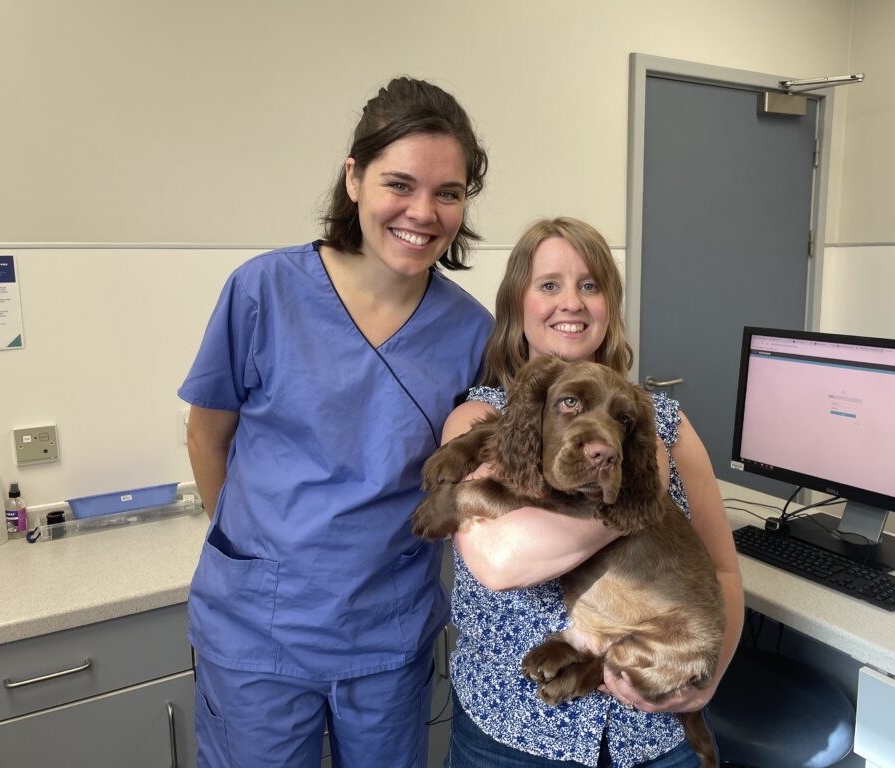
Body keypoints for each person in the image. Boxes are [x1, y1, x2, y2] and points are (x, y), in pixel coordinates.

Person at [178, 77, 493, 768]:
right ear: (354, 178)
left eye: (449, 192)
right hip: (257, 634)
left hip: (387, 632)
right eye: (399, 184)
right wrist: (249, 553)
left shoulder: (471, 331)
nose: (423, 211)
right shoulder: (265, 292)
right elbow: (207, 434)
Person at [441, 217, 744, 768]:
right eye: (549, 285)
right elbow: (500, 562)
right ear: (518, 304)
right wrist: (631, 486)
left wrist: (706, 680)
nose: (572, 303)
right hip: (515, 738)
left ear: (611, 304)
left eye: (590, 285)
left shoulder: (666, 424)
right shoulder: (481, 415)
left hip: (654, 736)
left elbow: (723, 571)